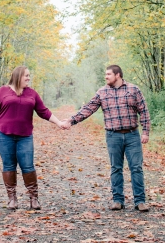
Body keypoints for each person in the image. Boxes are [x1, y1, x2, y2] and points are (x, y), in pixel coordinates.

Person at [62, 65, 151, 211]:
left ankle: (140, 201)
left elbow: (144, 111)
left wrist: (146, 132)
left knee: (136, 168)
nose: (106, 77)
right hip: (113, 136)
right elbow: (88, 108)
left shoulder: (133, 90)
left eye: (108, 74)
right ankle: (117, 200)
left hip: (132, 135)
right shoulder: (102, 92)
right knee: (116, 168)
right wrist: (71, 121)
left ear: (118, 75)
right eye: (105, 74)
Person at [0, 66, 66, 210]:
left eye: (29, 76)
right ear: (18, 76)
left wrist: (59, 122)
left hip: (25, 136)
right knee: (9, 165)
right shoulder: (2, 91)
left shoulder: (32, 94)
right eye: (26, 76)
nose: (28, 78)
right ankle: (12, 199)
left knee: (28, 165)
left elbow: (43, 111)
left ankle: (34, 198)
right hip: (4, 135)